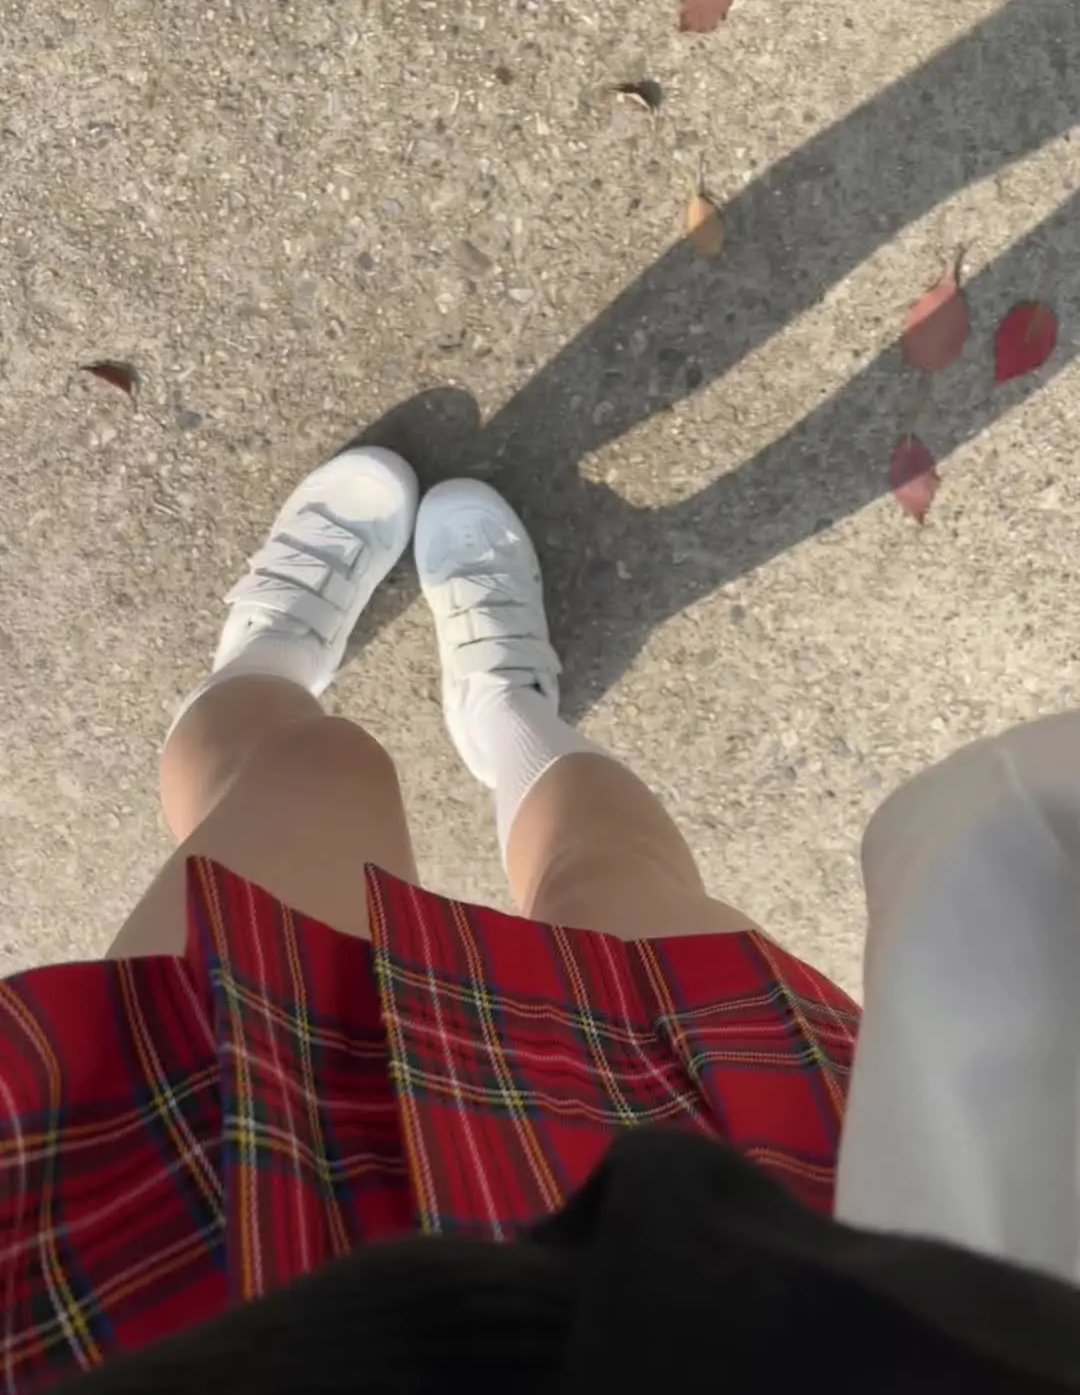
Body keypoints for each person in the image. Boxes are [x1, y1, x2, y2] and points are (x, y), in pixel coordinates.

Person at [4, 443, 1079, 1392]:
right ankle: (512, 710)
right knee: (615, 892)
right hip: (820, 1290)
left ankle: (275, 662)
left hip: (171, 1300)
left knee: (312, 773)